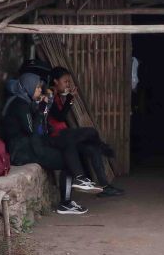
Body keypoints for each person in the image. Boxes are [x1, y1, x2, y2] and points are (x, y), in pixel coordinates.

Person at [1, 72, 87, 215]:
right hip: (22, 151)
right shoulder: (20, 105)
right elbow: (31, 129)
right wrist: (41, 110)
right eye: (37, 88)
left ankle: (67, 201)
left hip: (30, 146)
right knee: (66, 161)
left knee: (66, 154)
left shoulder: (24, 101)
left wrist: (41, 108)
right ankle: (65, 204)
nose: (40, 90)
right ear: (28, 88)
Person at [47, 67, 124, 197]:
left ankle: (105, 187)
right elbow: (60, 117)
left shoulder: (58, 96)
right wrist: (70, 99)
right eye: (65, 81)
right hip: (57, 136)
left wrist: (67, 97)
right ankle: (104, 148)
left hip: (66, 134)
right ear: (55, 81)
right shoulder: (50, 95)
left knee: (93, 149)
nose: (68, 84)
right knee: (91, 132)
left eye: (68, 82)